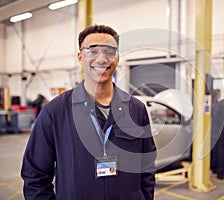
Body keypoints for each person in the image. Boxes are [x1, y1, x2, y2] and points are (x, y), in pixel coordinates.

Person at [21, 24, 157, 199]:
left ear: (117, 58)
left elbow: (146, 167)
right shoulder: (55, 112)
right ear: (80, 57)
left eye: (109, 51)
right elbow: (35, 177)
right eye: (92, 51)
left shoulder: (136, 109)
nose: (101, 59)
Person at [210, 89, 221, 174]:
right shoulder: (217, 105)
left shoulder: (209, 104)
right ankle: (215, 167)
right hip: (216, 129)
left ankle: (211, 165)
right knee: (216, 149)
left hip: (210, 129)